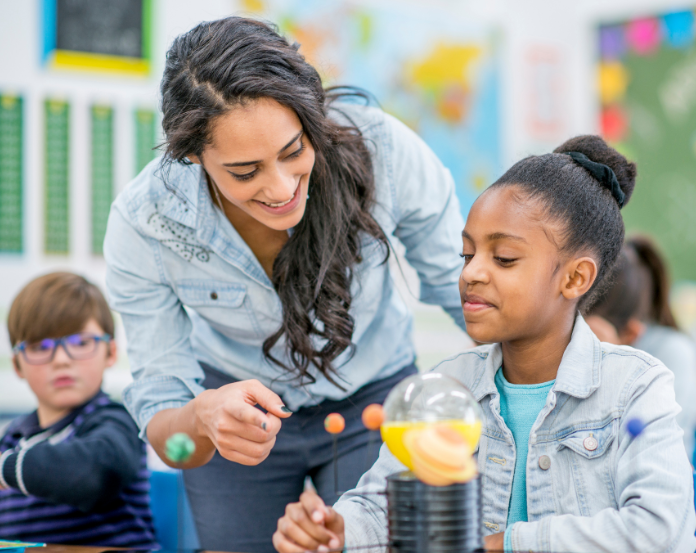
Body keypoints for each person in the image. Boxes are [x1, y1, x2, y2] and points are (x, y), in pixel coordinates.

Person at [103, 17, 466, 552]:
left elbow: (464, 291)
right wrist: (203, 420)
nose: (280, 188)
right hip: (234, 412)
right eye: (245, 172)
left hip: (375, 400)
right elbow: (172, 438)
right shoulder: (146, 221)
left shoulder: (386, 151)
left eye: (294, 150)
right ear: (192, 157)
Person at [273, 136, 696, 553]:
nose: (471, 273)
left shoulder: (637, 387)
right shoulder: (447, 384)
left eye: (504, 258)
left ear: (574, 279)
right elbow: (383, 507)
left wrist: (504, 544)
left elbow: (658, 532)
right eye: (467, 254)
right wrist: (336, 529)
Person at [0, 273, 156, 548]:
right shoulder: (10, 438)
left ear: (110, 352)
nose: (61, 359)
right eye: (40, 346)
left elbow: (96, 473)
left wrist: (6, 468)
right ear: (17, 365)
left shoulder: (117, 422)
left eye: (81, 343)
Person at [585, 236, 696, 459]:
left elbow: (657, 451)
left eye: (587, 339)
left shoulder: (672, 352)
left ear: (630, 334)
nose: (574, 348)